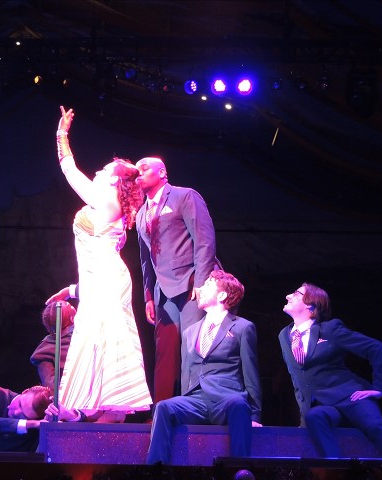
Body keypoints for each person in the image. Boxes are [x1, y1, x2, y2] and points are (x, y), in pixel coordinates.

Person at [53, 105, 152, 416]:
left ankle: (113, 410)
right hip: (101, 276)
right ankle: (91, 408)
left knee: (105, 337)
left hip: (107, 278)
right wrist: (73, 289)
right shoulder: (109, 203)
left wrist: (62, 134)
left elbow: (70, 172)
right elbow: (92, 258)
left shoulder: (107, 202)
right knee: (93, 336)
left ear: (114, 181)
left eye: (106, 170)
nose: (99, 171)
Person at [146, 270, 262, 464]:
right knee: (164, 407)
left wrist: (256, 415)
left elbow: (251, 372)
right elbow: (186, 372)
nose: (200, 288)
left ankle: (239, 469)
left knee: (240, 405)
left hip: (226, 398)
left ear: (222, 295)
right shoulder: (190, 331)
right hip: (196, 400)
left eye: (208, 284)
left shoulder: (243, 327)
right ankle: (156, 470)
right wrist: (184, 399)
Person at [135, 156, 218, 404]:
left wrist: (202, 282)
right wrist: (148, 296)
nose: (138, 173)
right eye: (136, 171)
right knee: (165, 352)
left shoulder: (184, 196)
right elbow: (145, 259)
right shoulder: (141, 214)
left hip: (191, 281)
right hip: (163, 289)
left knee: (192, 348)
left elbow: (204, 239)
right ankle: (161, 410)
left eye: (144, 169)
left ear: (162, 173)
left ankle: (193, 407)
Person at [279, 282, 382, 458]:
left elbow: (375, 348)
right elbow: (297, 379)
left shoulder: (329, 329)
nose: (288, 296)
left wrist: (380, 388)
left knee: (376, 428)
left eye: (296, 293)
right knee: (314, 417)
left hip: (350, 396)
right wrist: (303, 418)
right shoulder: (284, 335)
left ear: (311, 305)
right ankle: (335, 468)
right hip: (324, 404)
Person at [30, 300, 76, 390]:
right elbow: (52, 387)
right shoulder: (46, 350)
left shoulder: (85, 335)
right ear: (72, 318)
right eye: (70, 307)